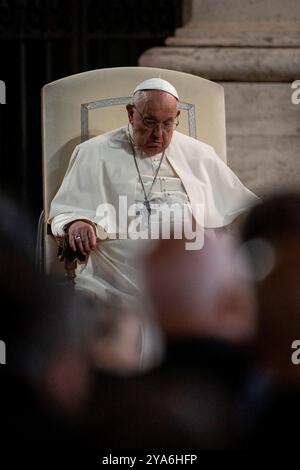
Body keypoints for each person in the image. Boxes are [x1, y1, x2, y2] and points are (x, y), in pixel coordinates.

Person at [49, 78, 259, 309]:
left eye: (167, 124)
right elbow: (66, 211)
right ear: (131, 114)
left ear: (177, 117)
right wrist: (76, 223)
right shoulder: (93, 152)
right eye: (149, 122)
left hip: (188, 263)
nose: (158, 134)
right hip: (117, 273)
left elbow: (243, 208)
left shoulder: (199, 154)